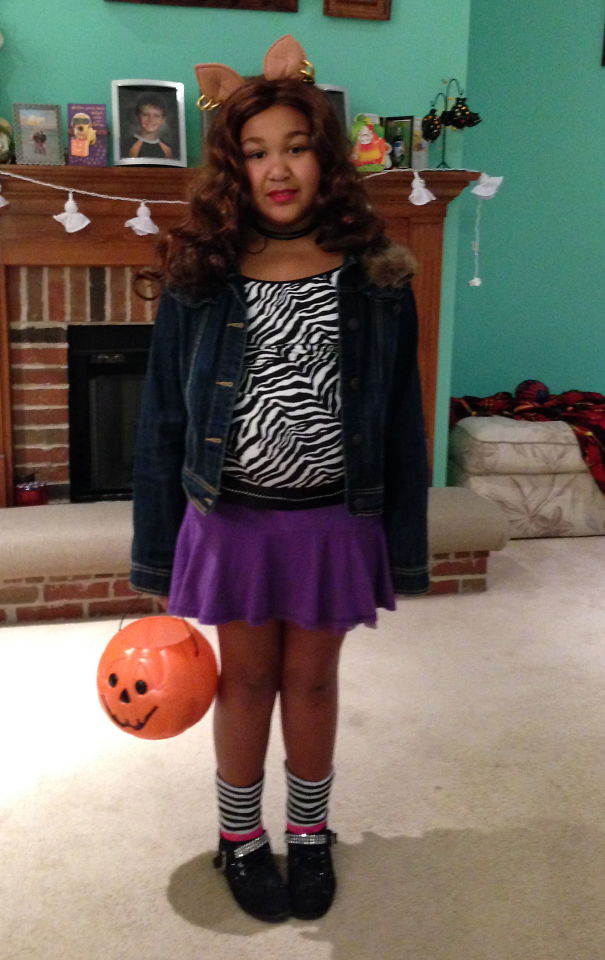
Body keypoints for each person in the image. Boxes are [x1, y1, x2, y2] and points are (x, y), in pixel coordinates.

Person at [130, 50, 429, 925]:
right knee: (244, 680)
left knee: (313, 682)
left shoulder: (373, 274)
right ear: (235, 166)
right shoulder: (202, 276)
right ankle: (238, 839)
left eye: (295, 147)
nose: (278, 167)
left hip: (333, 519)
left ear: (323, 159)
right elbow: (161, 419)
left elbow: (399, 419)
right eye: (256, 150)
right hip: (235, 522)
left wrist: (402, 544)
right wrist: (154, 550)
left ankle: (307, 832)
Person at [123, 92, 173, 160]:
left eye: (156, 116)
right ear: (138, 116)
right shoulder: (128, 145)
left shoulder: (167, 149)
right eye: (145, 115)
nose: (151, 120)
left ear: (163, 120)